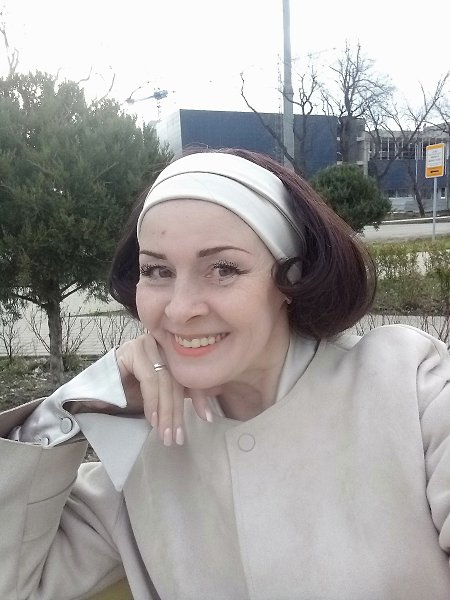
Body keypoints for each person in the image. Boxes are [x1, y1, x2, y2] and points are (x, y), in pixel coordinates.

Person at [1, 148, 450, 600]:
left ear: (292, 277)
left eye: (223, 269)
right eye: (157, 270)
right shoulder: (142, 447)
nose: (180, 308)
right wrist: (72, 407)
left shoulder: (412, 386)